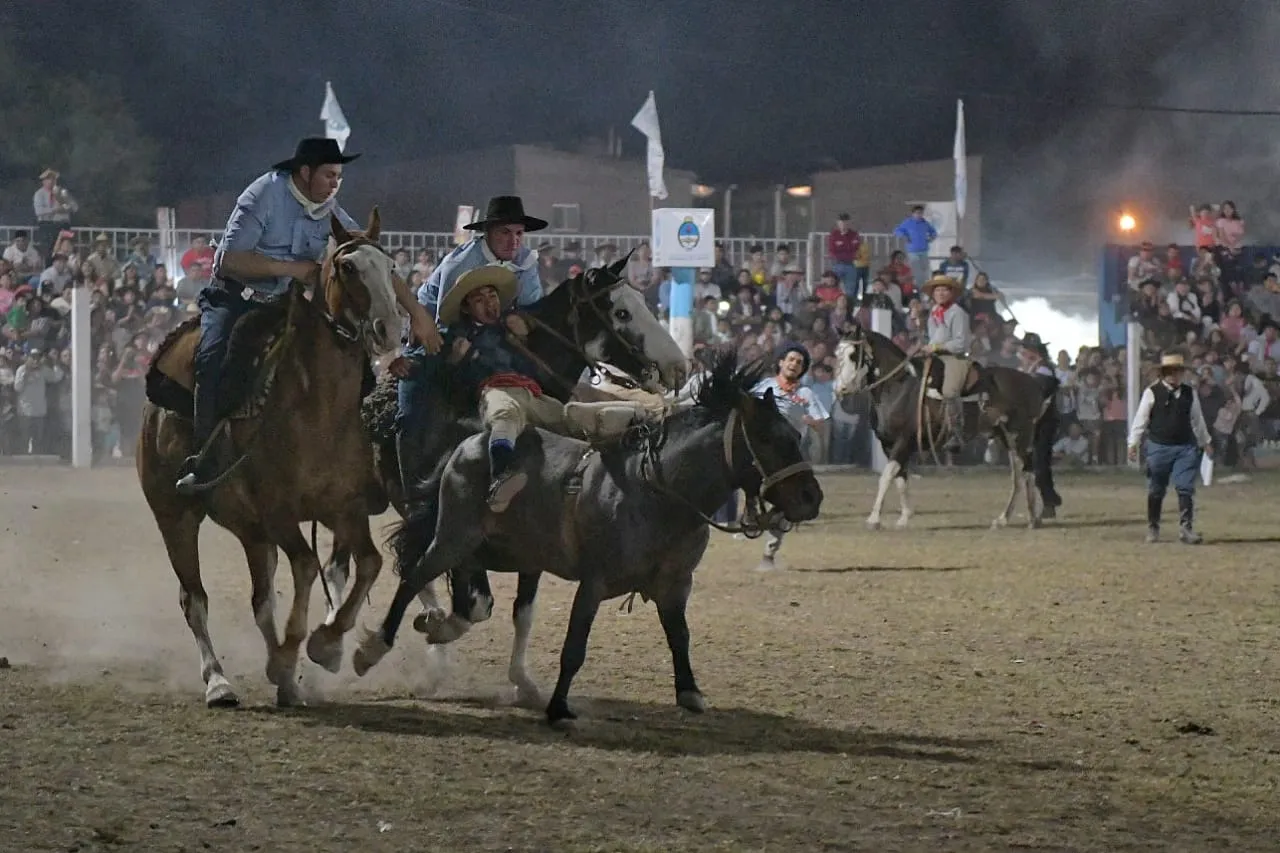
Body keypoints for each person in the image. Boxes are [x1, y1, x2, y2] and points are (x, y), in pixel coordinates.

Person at [174, 137, 440, 493]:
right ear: (304, 172)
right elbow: (229, 261)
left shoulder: (328, 207)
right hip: (234, 299)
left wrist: (418, 313)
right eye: (329, 175)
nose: (335, 183)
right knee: (212, 357)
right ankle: (205, 459)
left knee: (348, 356)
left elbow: (363, 255)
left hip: (287, 304)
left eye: (338, 177)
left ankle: (356, 459)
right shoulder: (263, 195)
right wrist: (295, 268)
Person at [396, 196, 548, 500]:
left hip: (494, 327)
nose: (513, 240)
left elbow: (534, 306)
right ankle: (411, 477)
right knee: (414, 388)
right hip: (437, 328)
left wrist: (524, 323)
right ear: (488, 233)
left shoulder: (526, 259)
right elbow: (446, 319)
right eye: (505, 233)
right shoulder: (461, 264)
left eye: (518, 233)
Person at [433, 266, 567, 512]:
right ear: (466, 308)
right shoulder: (459, 337)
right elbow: (451, 386)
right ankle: (501, 475)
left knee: (571, 416)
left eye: (492, 296)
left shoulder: (510, 329)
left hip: (530, 394)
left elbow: (535, 372)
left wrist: (525, 341)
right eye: (479, 299)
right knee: (503, 416)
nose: (489, 304)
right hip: (494, 393)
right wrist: (456, 361)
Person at [752, 345, 829, 570]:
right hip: (762, 453)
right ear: (781, 362)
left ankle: (769, 553)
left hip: (790, 457)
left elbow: (821, 424)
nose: (794, 365)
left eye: (799, 363)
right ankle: (750, 515)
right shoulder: (764, 387)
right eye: (791, 360)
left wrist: (807, 420)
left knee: (790, 500)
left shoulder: (805, 394)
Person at [1126, 353, 1213, 544]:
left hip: (1185, 447)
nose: (1174, 375)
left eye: (1177, 371)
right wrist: (1133, 443)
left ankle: (1186, 529)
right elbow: (1141, 419)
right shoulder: (1152, 392)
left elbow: (1197, 419)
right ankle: (1153, 527)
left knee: (1186, 488)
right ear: (1163, 373)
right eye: (1170, 371)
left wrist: (1205, 441)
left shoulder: (1190, 393)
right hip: (1159, 447)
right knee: (1156, 489)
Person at [923, 273, 971, 452]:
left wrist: (935, 347)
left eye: (944, 290)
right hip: (935, 356)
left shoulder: (958, 313)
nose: (941, 293)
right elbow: (932, 336)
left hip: (954, 357)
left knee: (950, 391)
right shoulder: (934, 311)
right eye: (937, 290)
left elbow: (961, 343)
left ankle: (955, 432)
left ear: (951, 293)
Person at [1019, 332, 1063, 516]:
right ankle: (1049, 499)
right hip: (1036, 422)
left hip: (1044, 421)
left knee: (1040, 463)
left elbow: (1040, 394)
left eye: (1025, 350)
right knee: (1035, 463)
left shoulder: (1043, 371)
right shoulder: (1036, 369)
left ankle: (1049, 500)